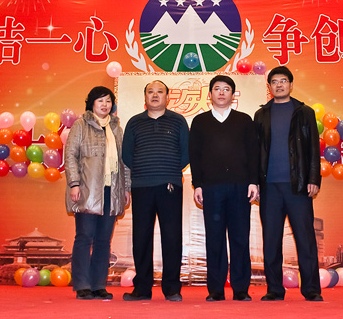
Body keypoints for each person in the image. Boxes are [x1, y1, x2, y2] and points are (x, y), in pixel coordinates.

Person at [253, 65, 323, 302]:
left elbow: (313, 148)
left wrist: (313, 179)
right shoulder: (261, 115)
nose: (279, 85)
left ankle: (311, 289)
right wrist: (255, 183)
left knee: (305, 239)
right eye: (274, 82)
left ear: (291, 85)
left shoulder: (304, 112)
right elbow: (255, 152)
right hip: (269, 188)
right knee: (271, 241)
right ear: (269, 87)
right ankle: (274, 289)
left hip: (298, 186)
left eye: (283, 81)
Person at [190, 74, 259, 302]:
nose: (221, 92)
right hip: (211, 188)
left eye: (226, 89)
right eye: (217, 88)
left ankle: (241, 289)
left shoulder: (244, 120)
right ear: (210, 94)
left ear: (233, 94)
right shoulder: (200, 121)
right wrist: (197, 185)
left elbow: (253, 153)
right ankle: (216, 290)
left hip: (240, 187)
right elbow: (194, 155)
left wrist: (253, 181)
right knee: (215, 239)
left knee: (240, 238)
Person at [122, 80, 189, 301]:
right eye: (150, 91)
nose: (155, 95)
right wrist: (144, 170)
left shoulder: (178, 121)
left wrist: (168, 170)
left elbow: (186, 153)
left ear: (167, 97)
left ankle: (172, 288)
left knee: (172, 236)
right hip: (141, 186)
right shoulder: (134, 123)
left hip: (170, 185)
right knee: (141, 237)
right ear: (145, 97)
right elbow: (127, 154)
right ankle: (142, 288)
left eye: (160, 91)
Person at [64, 86, 131, 300]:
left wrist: (126, 188)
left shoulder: (116, 128)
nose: (105, 104)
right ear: (91, 103)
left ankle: (98, 285)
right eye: (100, 100)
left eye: (108, 101)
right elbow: (70, 155)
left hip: (112, 191)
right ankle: (82, 284)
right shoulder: (81, 125)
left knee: (103, 240)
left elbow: (124, 162)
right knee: (84, 237)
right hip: (87, 189)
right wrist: (74, 184)